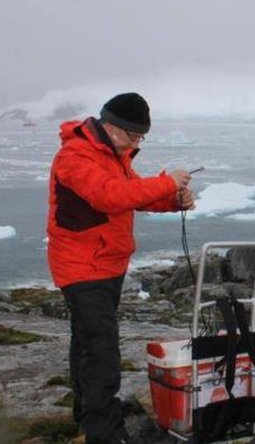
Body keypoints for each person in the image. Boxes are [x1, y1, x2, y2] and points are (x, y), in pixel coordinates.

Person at [46, 92, 195, 443]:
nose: (136, 142)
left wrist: (173, 200)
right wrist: (168, 181)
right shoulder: (76, 156)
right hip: (82, 267)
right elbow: (109, 196)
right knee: (101, 350)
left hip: (106, 263)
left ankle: (87, 414)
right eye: (133, 135)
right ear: (111, 127)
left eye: (140, 137)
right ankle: (105, 432)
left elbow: (131, 193)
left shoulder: (113, 154)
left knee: (86, 342)